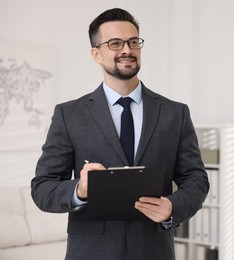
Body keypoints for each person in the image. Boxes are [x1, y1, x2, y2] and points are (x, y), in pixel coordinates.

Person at [31, 7, 209, 260]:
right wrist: (79, 190)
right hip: (92, 252)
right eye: (115, 43)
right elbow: (42, 188)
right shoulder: (69, 115)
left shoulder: (175, 113)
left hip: (154, 250)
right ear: (96, 54)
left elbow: (196, 179)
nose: (127, 50)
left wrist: (173, 207)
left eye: (133, 42)